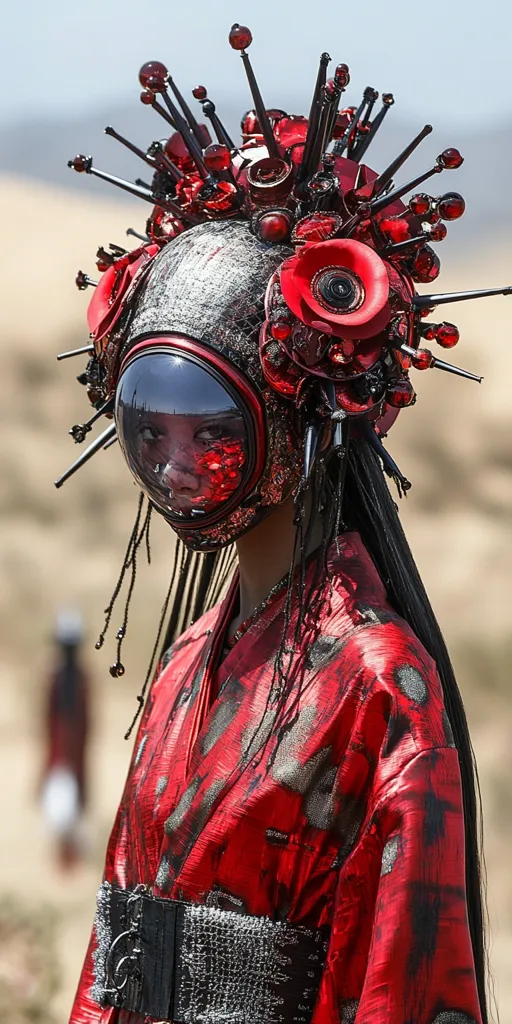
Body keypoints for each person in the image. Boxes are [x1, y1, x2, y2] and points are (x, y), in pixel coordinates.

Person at [57, 23, 511, 1024]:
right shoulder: (183, 663)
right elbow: (112, 962)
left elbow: (400, 987)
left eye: (211, 429)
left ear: (302, 416)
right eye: (147, 428)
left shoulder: (378, 688)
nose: (175, 464)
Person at [41, 608, 90, 869]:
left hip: (75, 758)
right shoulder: (55, 679)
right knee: (61, 816)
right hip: (59, 758)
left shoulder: (82, 681)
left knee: (72, 815)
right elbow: (48, 724)